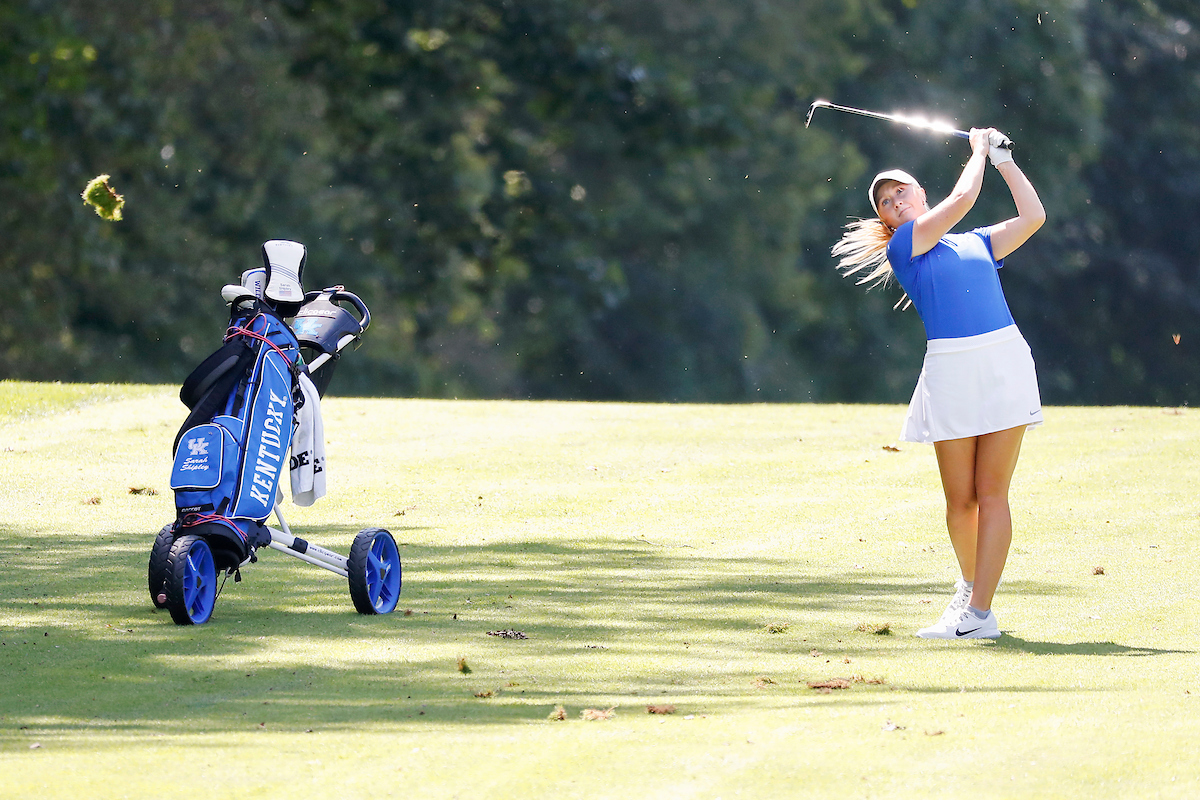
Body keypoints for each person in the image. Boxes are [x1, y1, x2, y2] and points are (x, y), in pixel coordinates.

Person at [832, 127, 1046, 639]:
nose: (895, 200)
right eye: (885, 201)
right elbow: (965, 197)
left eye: (902, 190)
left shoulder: (977, 242)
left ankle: (980, 614)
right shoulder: (906, 246)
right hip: (950, 369)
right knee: (960, 499)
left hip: (1001, 360)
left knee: (993, 493)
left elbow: (1034, 217)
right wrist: (977, 153)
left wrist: (1004, 161)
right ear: (885, 219)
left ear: (920, 193)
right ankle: (970, 593)